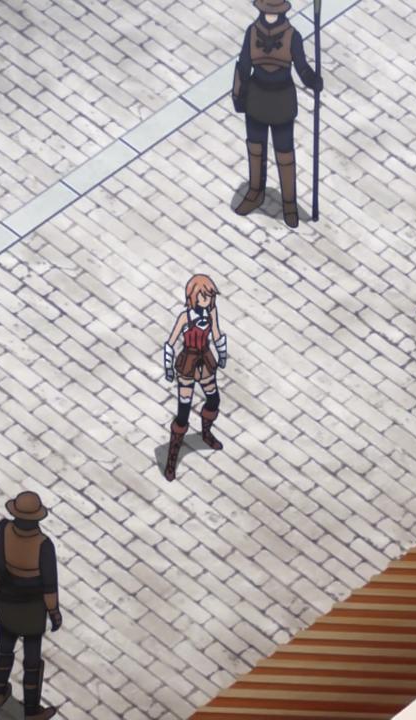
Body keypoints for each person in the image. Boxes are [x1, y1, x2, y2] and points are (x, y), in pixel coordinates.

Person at [231, 0, 324, 227]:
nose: (270, 15)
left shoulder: (293, 36)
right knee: (255, 147)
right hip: (256, 98)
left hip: (281, 100)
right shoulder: (252, 32)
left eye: (273, 11)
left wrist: (312, 80)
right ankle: (255, 191)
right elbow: (244, 65)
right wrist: (239, 94)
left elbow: (301, 67)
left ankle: (289, 204)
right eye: (267, 11)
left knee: (284, 153)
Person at [0, 491, 61, 720]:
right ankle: (31, 710)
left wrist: (5, 586)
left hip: (7, 601)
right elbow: (49, 586)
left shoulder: (3, 529)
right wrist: (54, 612)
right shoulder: (44, 545)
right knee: (31, 659)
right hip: (32, 608)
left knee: (4, 648)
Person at [162, 274, 228, 480]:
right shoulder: (186, 317)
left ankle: (206, 433)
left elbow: (216, 333)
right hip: (188, 362)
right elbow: (171, 342)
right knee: (183, 411)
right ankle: (171, 461)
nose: (207, 300)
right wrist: (168, 367)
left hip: (205, 360)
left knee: (213, 399)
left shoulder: (211, 313)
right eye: (203, 296)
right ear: (194, 296)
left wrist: (222, 353)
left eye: (209, 296)